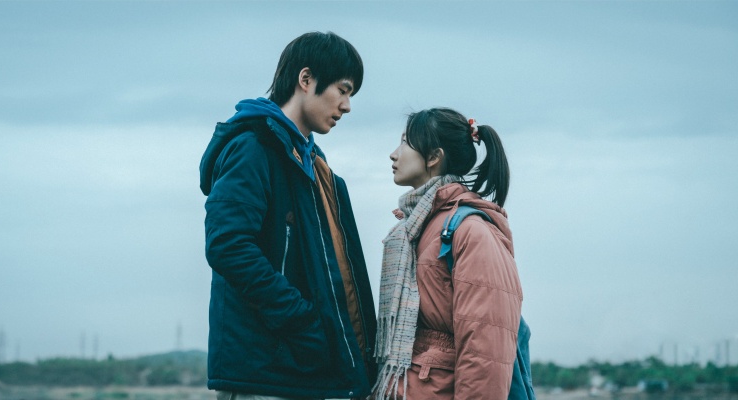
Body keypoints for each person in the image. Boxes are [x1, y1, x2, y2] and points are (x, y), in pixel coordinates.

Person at [198, 31, 377, 400]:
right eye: (342, 90)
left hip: (301, 370)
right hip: (262, 372)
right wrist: (303, 322)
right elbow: (228, 246)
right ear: (306, 79)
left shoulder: (312, 162)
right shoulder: (252, 148)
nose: (346, 106)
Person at [372, 108, 523, 399]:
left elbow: (485, 352)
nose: (393, 154)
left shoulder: (471, 231)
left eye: (404, 142)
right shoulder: (416, 227)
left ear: (434, 157)